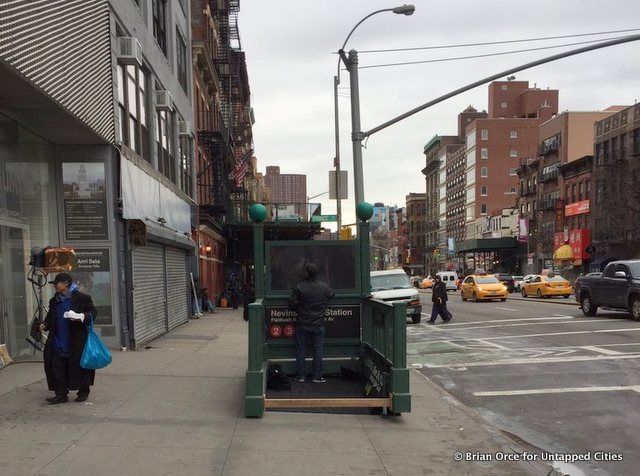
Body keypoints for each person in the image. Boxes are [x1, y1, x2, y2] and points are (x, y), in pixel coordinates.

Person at [41, 273, 98, 404]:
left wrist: (81, 316)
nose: (55, 286)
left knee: (80, 367)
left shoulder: (82, 298)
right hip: (57, 340)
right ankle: (61, 394)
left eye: (56, 283)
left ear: (65, 284)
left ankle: (83, 391)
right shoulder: (55, 300)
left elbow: (93, 313)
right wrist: (45, 324)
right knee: (56, 367)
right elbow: (51, 317)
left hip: (76, 341)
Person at [289, 263, 334, 383]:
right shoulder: (324, 287)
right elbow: (332, 294)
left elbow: (292, 304)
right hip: (318, 323)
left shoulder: (299, 287)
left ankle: (301, 376)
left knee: (301, 349)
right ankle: (317, 376)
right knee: (318, 350)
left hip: (303, 323)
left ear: (305, 273)